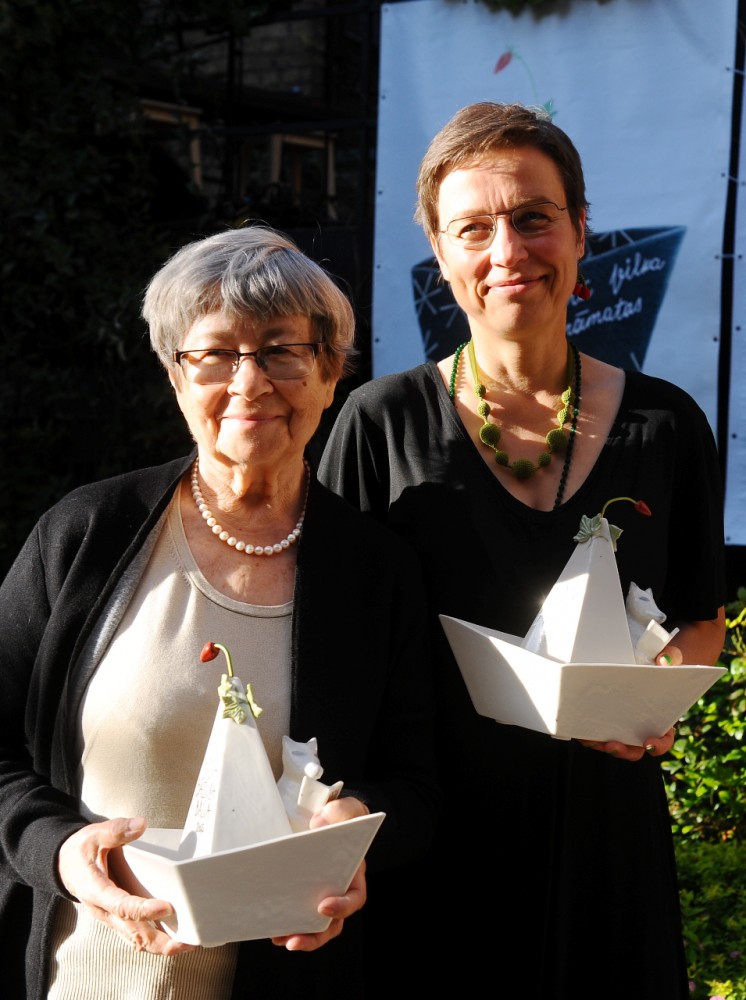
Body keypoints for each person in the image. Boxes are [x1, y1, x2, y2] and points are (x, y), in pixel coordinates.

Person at [319, 102, 726, 999]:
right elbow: (331, 650)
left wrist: (655, 697)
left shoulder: (666, 424)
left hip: (608, 849)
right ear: (440, 253)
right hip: (433, 859)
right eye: (473, 228)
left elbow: (703, 618)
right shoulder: (378, 424)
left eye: (534, 217)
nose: (508, 251)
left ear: (580, 231)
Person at [0, 225, 439, 1000]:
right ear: (176, 374)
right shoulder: (85, 536)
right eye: (215, 354)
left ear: (329, 372)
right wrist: (59, 850)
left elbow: (420, 785)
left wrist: (358, 828)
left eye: (281, 351)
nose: (249, 383)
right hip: (85, 980)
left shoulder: (376, 571)